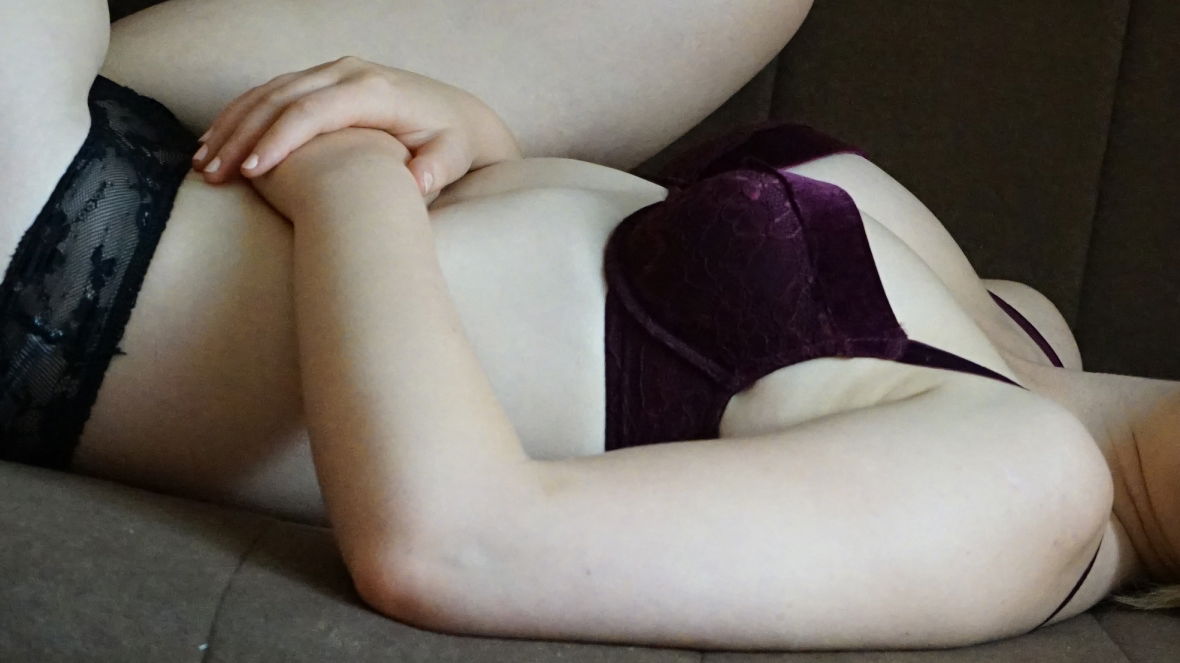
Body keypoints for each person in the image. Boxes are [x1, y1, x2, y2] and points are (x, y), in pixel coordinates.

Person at [1, 0, 1176, 651]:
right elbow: (577, 327)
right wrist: (473, 137)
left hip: (62, 259)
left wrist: (353, 185)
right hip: (191, 135)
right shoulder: (1032, 340)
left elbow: (456, 544)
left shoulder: (1031, 496)